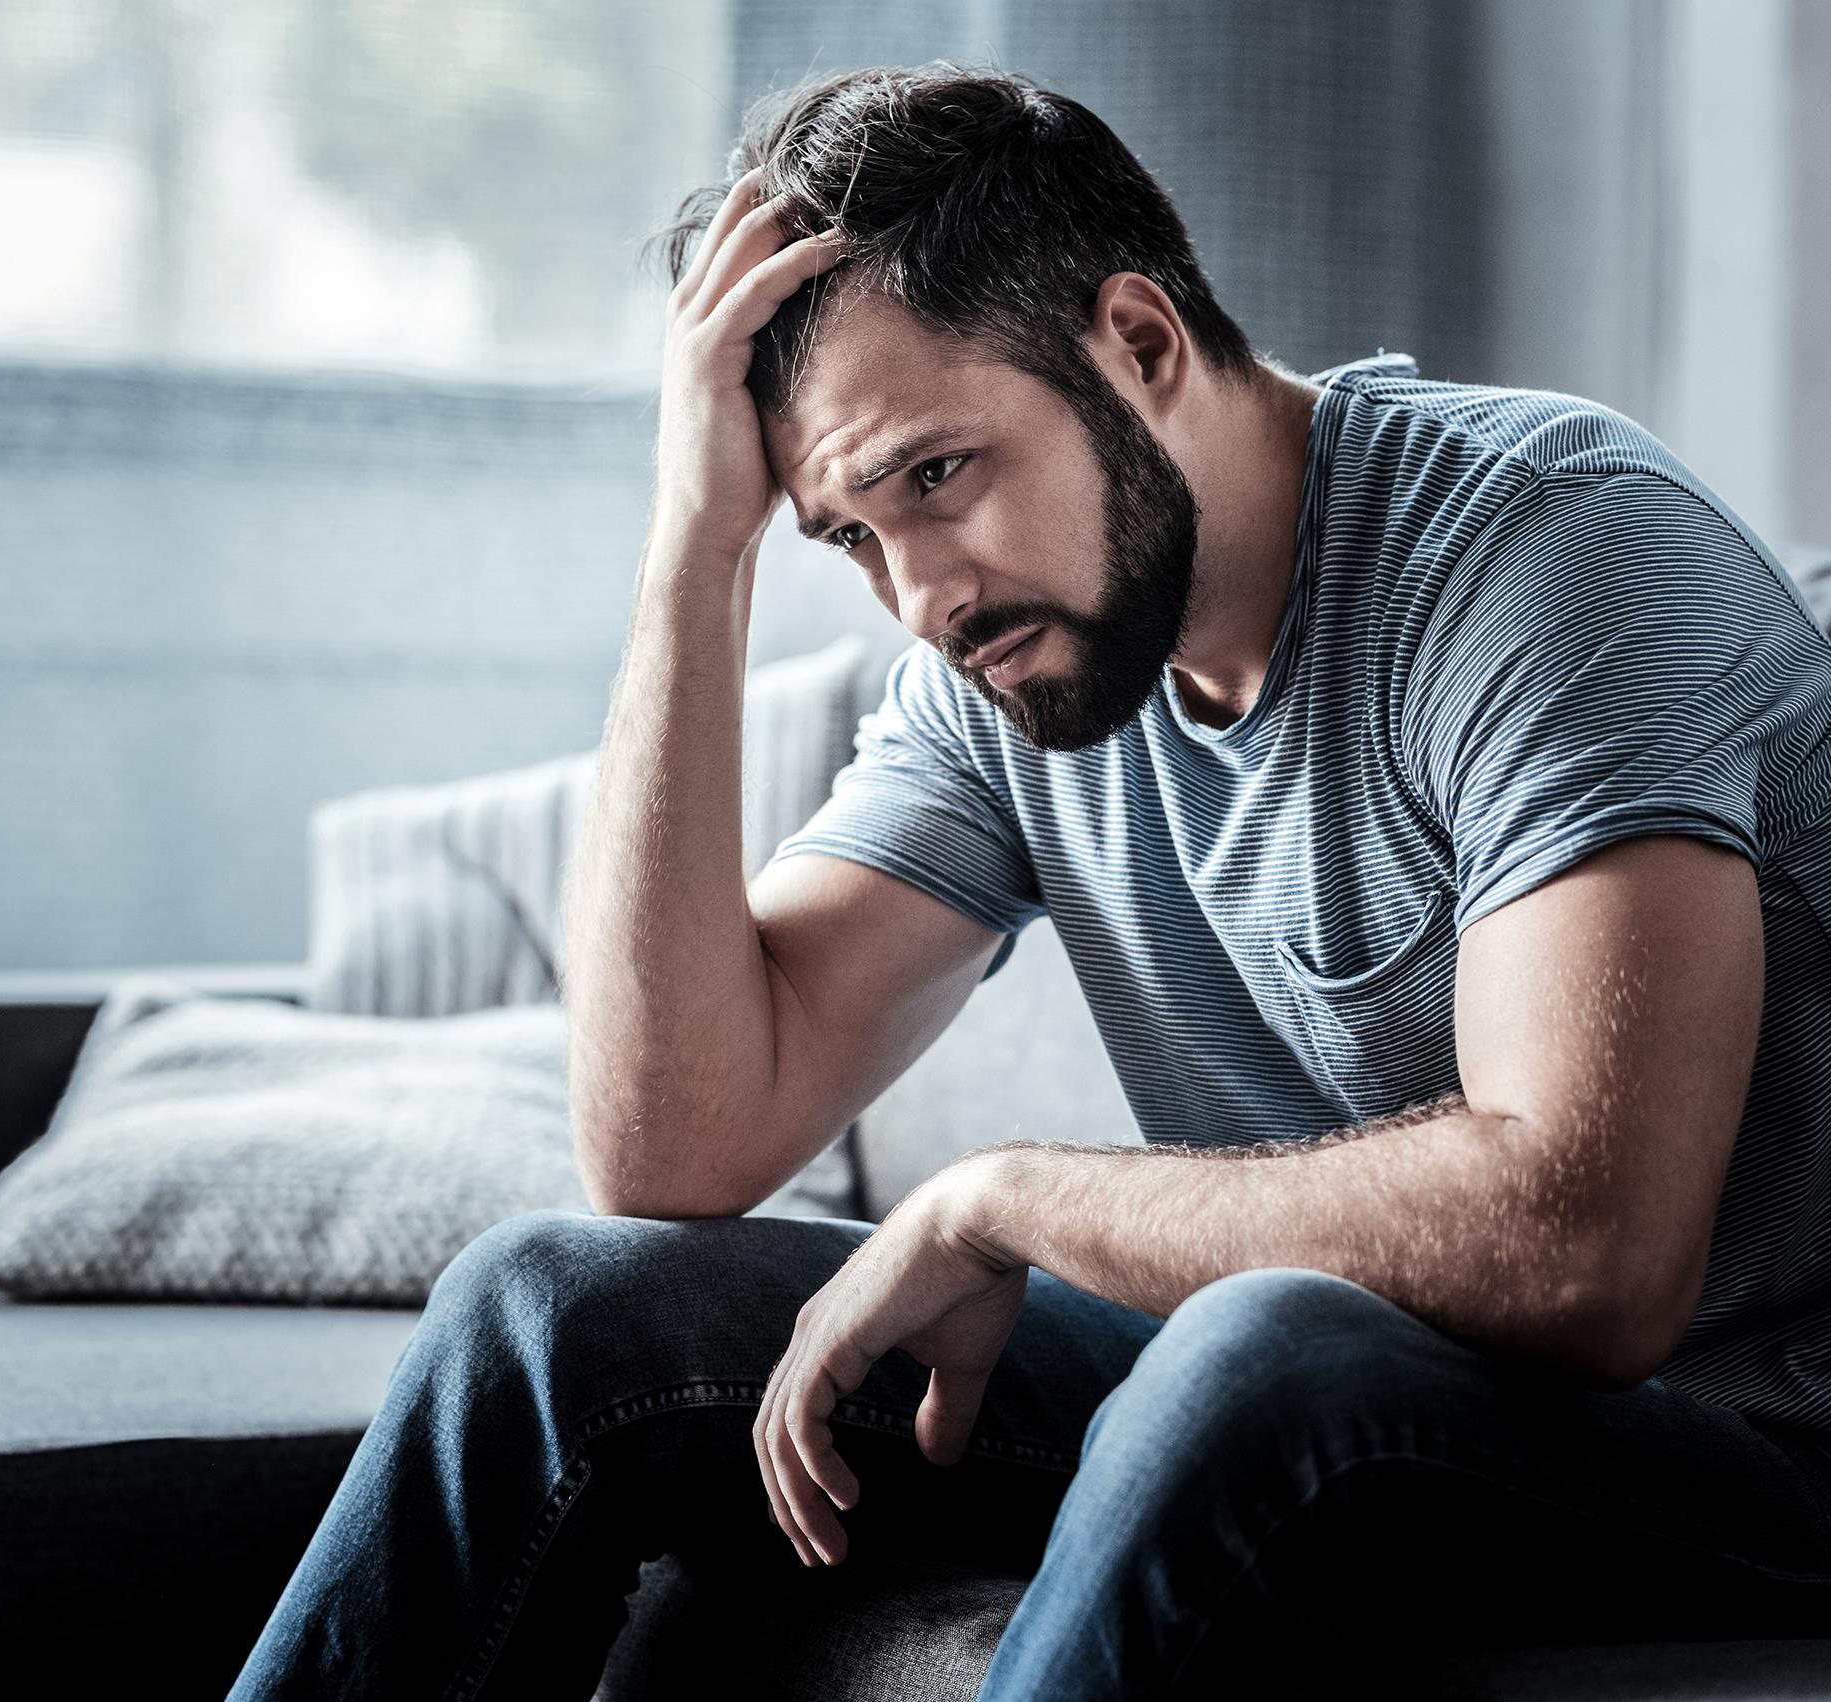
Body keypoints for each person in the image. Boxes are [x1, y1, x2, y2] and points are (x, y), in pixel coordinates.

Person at [229, 63, 1831, 1700]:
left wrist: (1004, 1195)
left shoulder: (1547, 553)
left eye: (936, 475)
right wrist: (690, 551)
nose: (918, 596)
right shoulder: (1013, 662)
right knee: (554, 1308)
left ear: (1138, 343)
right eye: (846, 536)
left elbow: (1593, 1251)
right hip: (1322, 1379)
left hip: (1755, 1439)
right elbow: (671, 1139)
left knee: (1253, 1344)